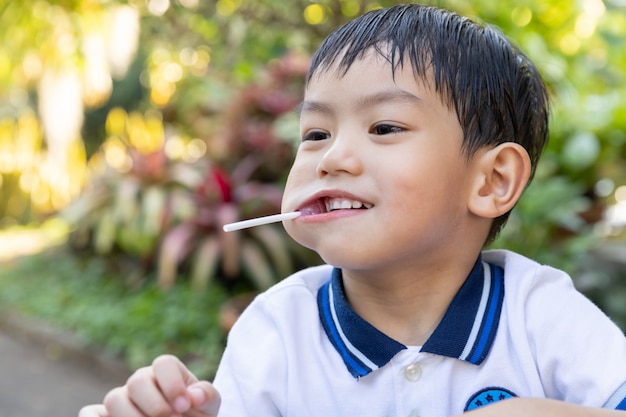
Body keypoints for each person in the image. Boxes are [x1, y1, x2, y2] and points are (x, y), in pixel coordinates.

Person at [79, 4, 626, 417]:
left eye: (384, 127)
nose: (332, 157)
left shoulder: (538, 314)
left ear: (491, 180)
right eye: (315, 133)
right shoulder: (278, 330)